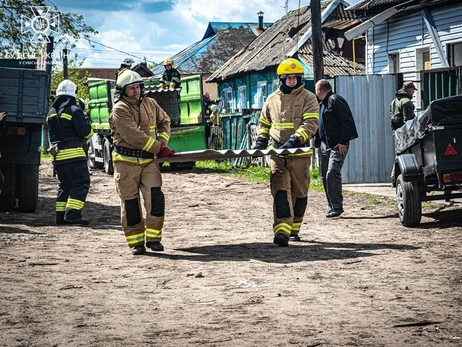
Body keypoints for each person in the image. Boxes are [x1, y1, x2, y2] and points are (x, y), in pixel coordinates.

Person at [252, 58, 319, 246]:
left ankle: (294, 229)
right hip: (277, 155)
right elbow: (264, 123)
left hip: (299, 154)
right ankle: (281, 230)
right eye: (288, 78)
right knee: (280, 191)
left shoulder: (308, 97)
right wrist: (261, 140)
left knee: (299, 193)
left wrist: (295, 139)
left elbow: (311, 123)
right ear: (281, 79)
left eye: (295, 78)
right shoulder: (272, 99)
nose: (292, 81)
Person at [109, 70, 175, 256]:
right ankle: (136, 242)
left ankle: (154, 239)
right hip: (125, 163)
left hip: (148, 162)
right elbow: (134, 136)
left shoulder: (150, 103)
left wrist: (163, 141)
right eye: (131, 88)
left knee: (155, 199)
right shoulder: (119, 110)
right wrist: (159, 148)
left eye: (138, 87)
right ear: (123, 91)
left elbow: (165, 121)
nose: (136, 91)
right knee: (130, 205)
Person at [46, 80, 94, 225]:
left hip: (58, 156)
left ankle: (60, 217)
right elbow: (87, 133)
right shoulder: (74, 110)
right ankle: (73, 214)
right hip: (74, 155)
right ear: (74, 94)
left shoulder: (51, 112)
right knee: (81, 182)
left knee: (64, 185)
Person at [315, 79, 358, 218]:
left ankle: (337, 207)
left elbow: (346, 121)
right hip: (324, 145)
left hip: (337, 145)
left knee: (332, 172)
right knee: (324, 176)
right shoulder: (322, 103)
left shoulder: (335, 100)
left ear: (319, 90)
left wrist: (342, 141)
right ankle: (332, 206)